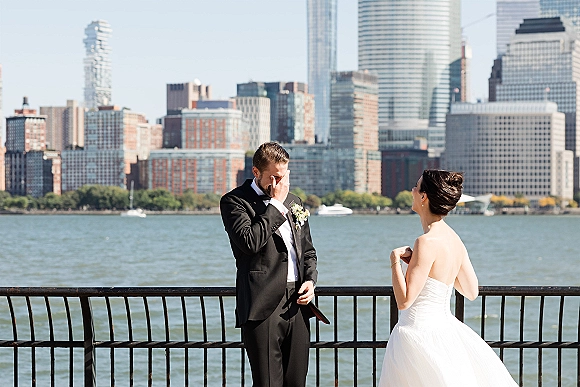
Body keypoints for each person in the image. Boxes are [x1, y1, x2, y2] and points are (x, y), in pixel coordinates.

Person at [379, 170, 517, 386]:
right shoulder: (454, 239)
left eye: (416, 187)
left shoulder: (425, 242)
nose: (412, 191)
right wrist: (428, 269)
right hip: (446, 332)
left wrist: (394, 260)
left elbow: (404, 301)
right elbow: (471, 291)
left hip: (415, 334)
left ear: (424, 197)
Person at [220, 142, 318, 387]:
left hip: (297, 304)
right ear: (255, 172)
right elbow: (249, 242)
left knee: (296, 382)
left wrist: (310, 280)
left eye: (284, 176)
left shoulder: (294, 201)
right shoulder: (234, 202)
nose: (280, 183)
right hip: (261, 305)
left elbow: (308, 251)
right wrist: (275, 205)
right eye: (274, 177)